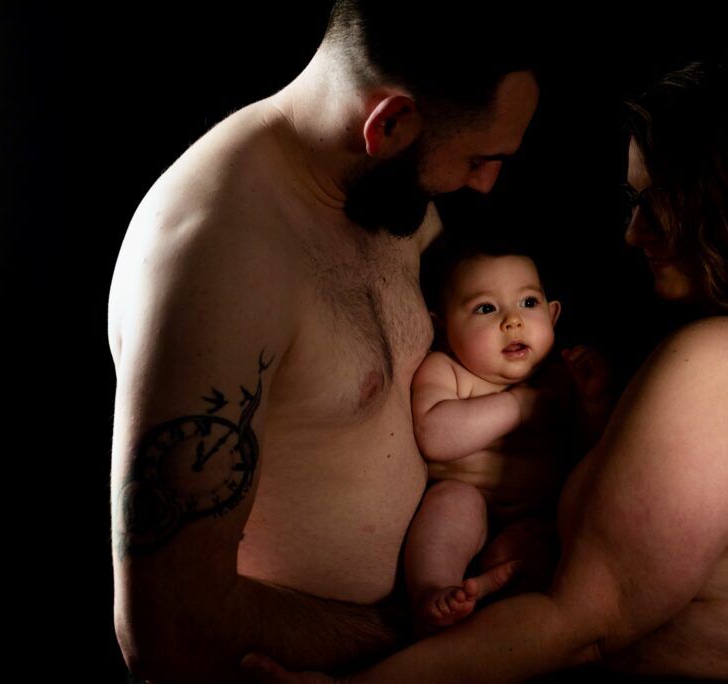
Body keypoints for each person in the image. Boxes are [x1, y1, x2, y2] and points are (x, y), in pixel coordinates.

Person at [240, 61, 728, 683]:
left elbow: (578, 625)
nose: (634, 234)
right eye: (632, 202)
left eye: (658, 200)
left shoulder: (727, 364)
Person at [107, 2, 540, 682]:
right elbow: (170, 629)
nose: (485, 185)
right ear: (389, 122)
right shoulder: (217, 257)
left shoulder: (385, 192)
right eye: (479, 158)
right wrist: (423, 645)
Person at [405, 245, 611, 635]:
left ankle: (490, 601)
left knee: (529, 551)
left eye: (528, 302)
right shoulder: (446, 369)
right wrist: (516, 405)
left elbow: (594, 452)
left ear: (552, 315)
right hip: (469, 497)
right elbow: (434, 436)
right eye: (486, 308)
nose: (513, 321)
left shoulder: (561, 378)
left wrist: (594, 401)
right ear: (443, 325)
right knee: (450, 506)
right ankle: (430, 594)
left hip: (535, 514)